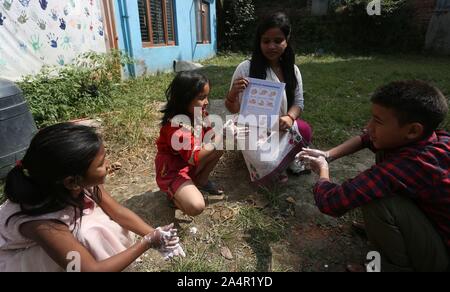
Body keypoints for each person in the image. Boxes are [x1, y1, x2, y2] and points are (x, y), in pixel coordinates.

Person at [299, 80, 450, 272]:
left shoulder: (408, 165)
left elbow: (331, 202)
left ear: (413, 130)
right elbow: (366, 139)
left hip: (443, 256)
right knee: (382, 151)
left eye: (378, 122)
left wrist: (323, 169)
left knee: (378, 202)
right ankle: (394, 232)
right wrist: (328, 155)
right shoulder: (437, 139)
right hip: (435, 225)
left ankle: (387, 268)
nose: (368, 127)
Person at [0, 122, 185, 272]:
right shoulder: (41, 224)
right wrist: (147, 242)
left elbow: (117, 212)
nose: (108, 165)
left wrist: (155, 233)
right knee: (91, 234)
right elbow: (91, 269)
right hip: (16, 260)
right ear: (72, 182)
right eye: (101, 163)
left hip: (57, 233)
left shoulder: (75, 182)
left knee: (97, 228)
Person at [225, 12, 312, 184]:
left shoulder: (293, 70)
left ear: (287, 40)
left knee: (304, 129)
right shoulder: (245, 69)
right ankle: (278, 161)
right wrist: (233, 93)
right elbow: (233, 109)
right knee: (267, 161)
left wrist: (290, 116)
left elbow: (298, 103)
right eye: (266, 41)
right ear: (259, 42)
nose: (272, 46)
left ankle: (285, 158)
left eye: (278, 41)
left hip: (280, 126)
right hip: (251, 128)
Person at [155, 71, 224, 217]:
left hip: (187, 162)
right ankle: (173, 196)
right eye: (201, 98)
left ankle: (201, 180)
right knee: (196, 206)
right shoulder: (176, 127)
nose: (206, 102)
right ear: (184, 99)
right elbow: (195, 157)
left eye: (207, 96)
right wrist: (221, 135)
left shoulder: (198, 114)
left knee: (220, 145)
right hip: (173, 170)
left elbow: (210, 135)